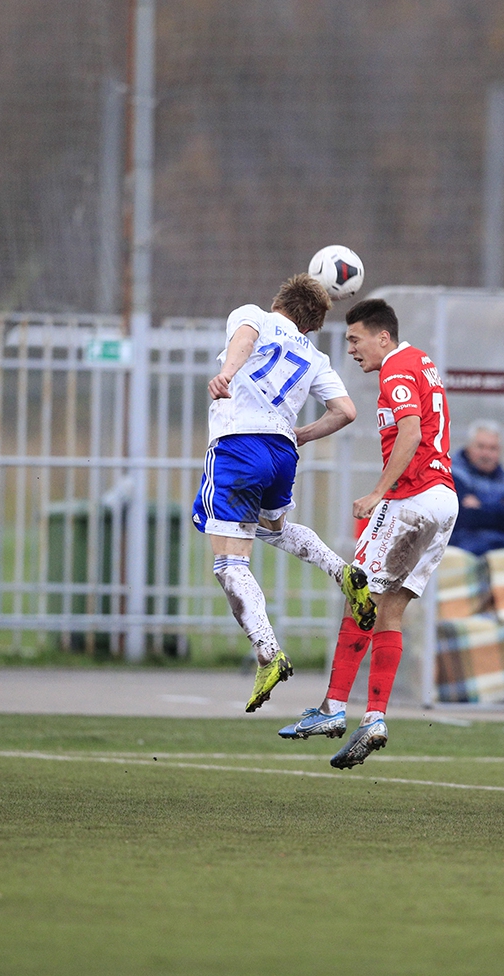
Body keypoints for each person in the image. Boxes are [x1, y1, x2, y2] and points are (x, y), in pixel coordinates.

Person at [278, 298, 457, 769]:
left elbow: (411, 434)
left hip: (413, 499)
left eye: (355, 340)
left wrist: (379, 492)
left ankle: (333, 709)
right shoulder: (421, 362)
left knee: (358, 596)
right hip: (444, 501)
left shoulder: (396, 369)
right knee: (389, 611)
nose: (351, 350)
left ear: (383, 336)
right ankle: (374, 717)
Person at [192, 273, 373, 715]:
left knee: (229, 561)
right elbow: (346, 411)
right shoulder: (314, 354)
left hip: (238, 444)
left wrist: (226, 374)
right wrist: (302, 435)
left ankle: (268, 654)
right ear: (310, 325)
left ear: (280, 301)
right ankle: (342, 571)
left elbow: (246, 336)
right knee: (273, 529)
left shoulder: (252, 314)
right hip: (281, 452)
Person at [449, 419, 504, 556]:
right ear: (469, 446)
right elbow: (463, 518)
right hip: (463, 551)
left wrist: (480, 506)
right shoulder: (452, 474)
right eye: (481, 447)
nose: (486, 454)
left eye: (492, 448)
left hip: (502, 550)